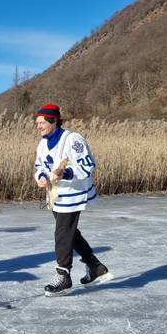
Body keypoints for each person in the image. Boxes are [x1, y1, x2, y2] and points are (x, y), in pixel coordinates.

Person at [33, 104, 113, 296]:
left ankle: (63, 275)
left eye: (42, 122)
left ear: (54, 121)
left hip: (73, 195)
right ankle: (95, 267)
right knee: (69, 232)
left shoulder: (72, 139)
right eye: (37, 123)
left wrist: (66, 172)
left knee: (62, 233)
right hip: (55, 195)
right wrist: (41, 177)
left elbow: (88, 166)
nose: (38, 127)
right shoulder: (43, 142)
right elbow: (39, 165)